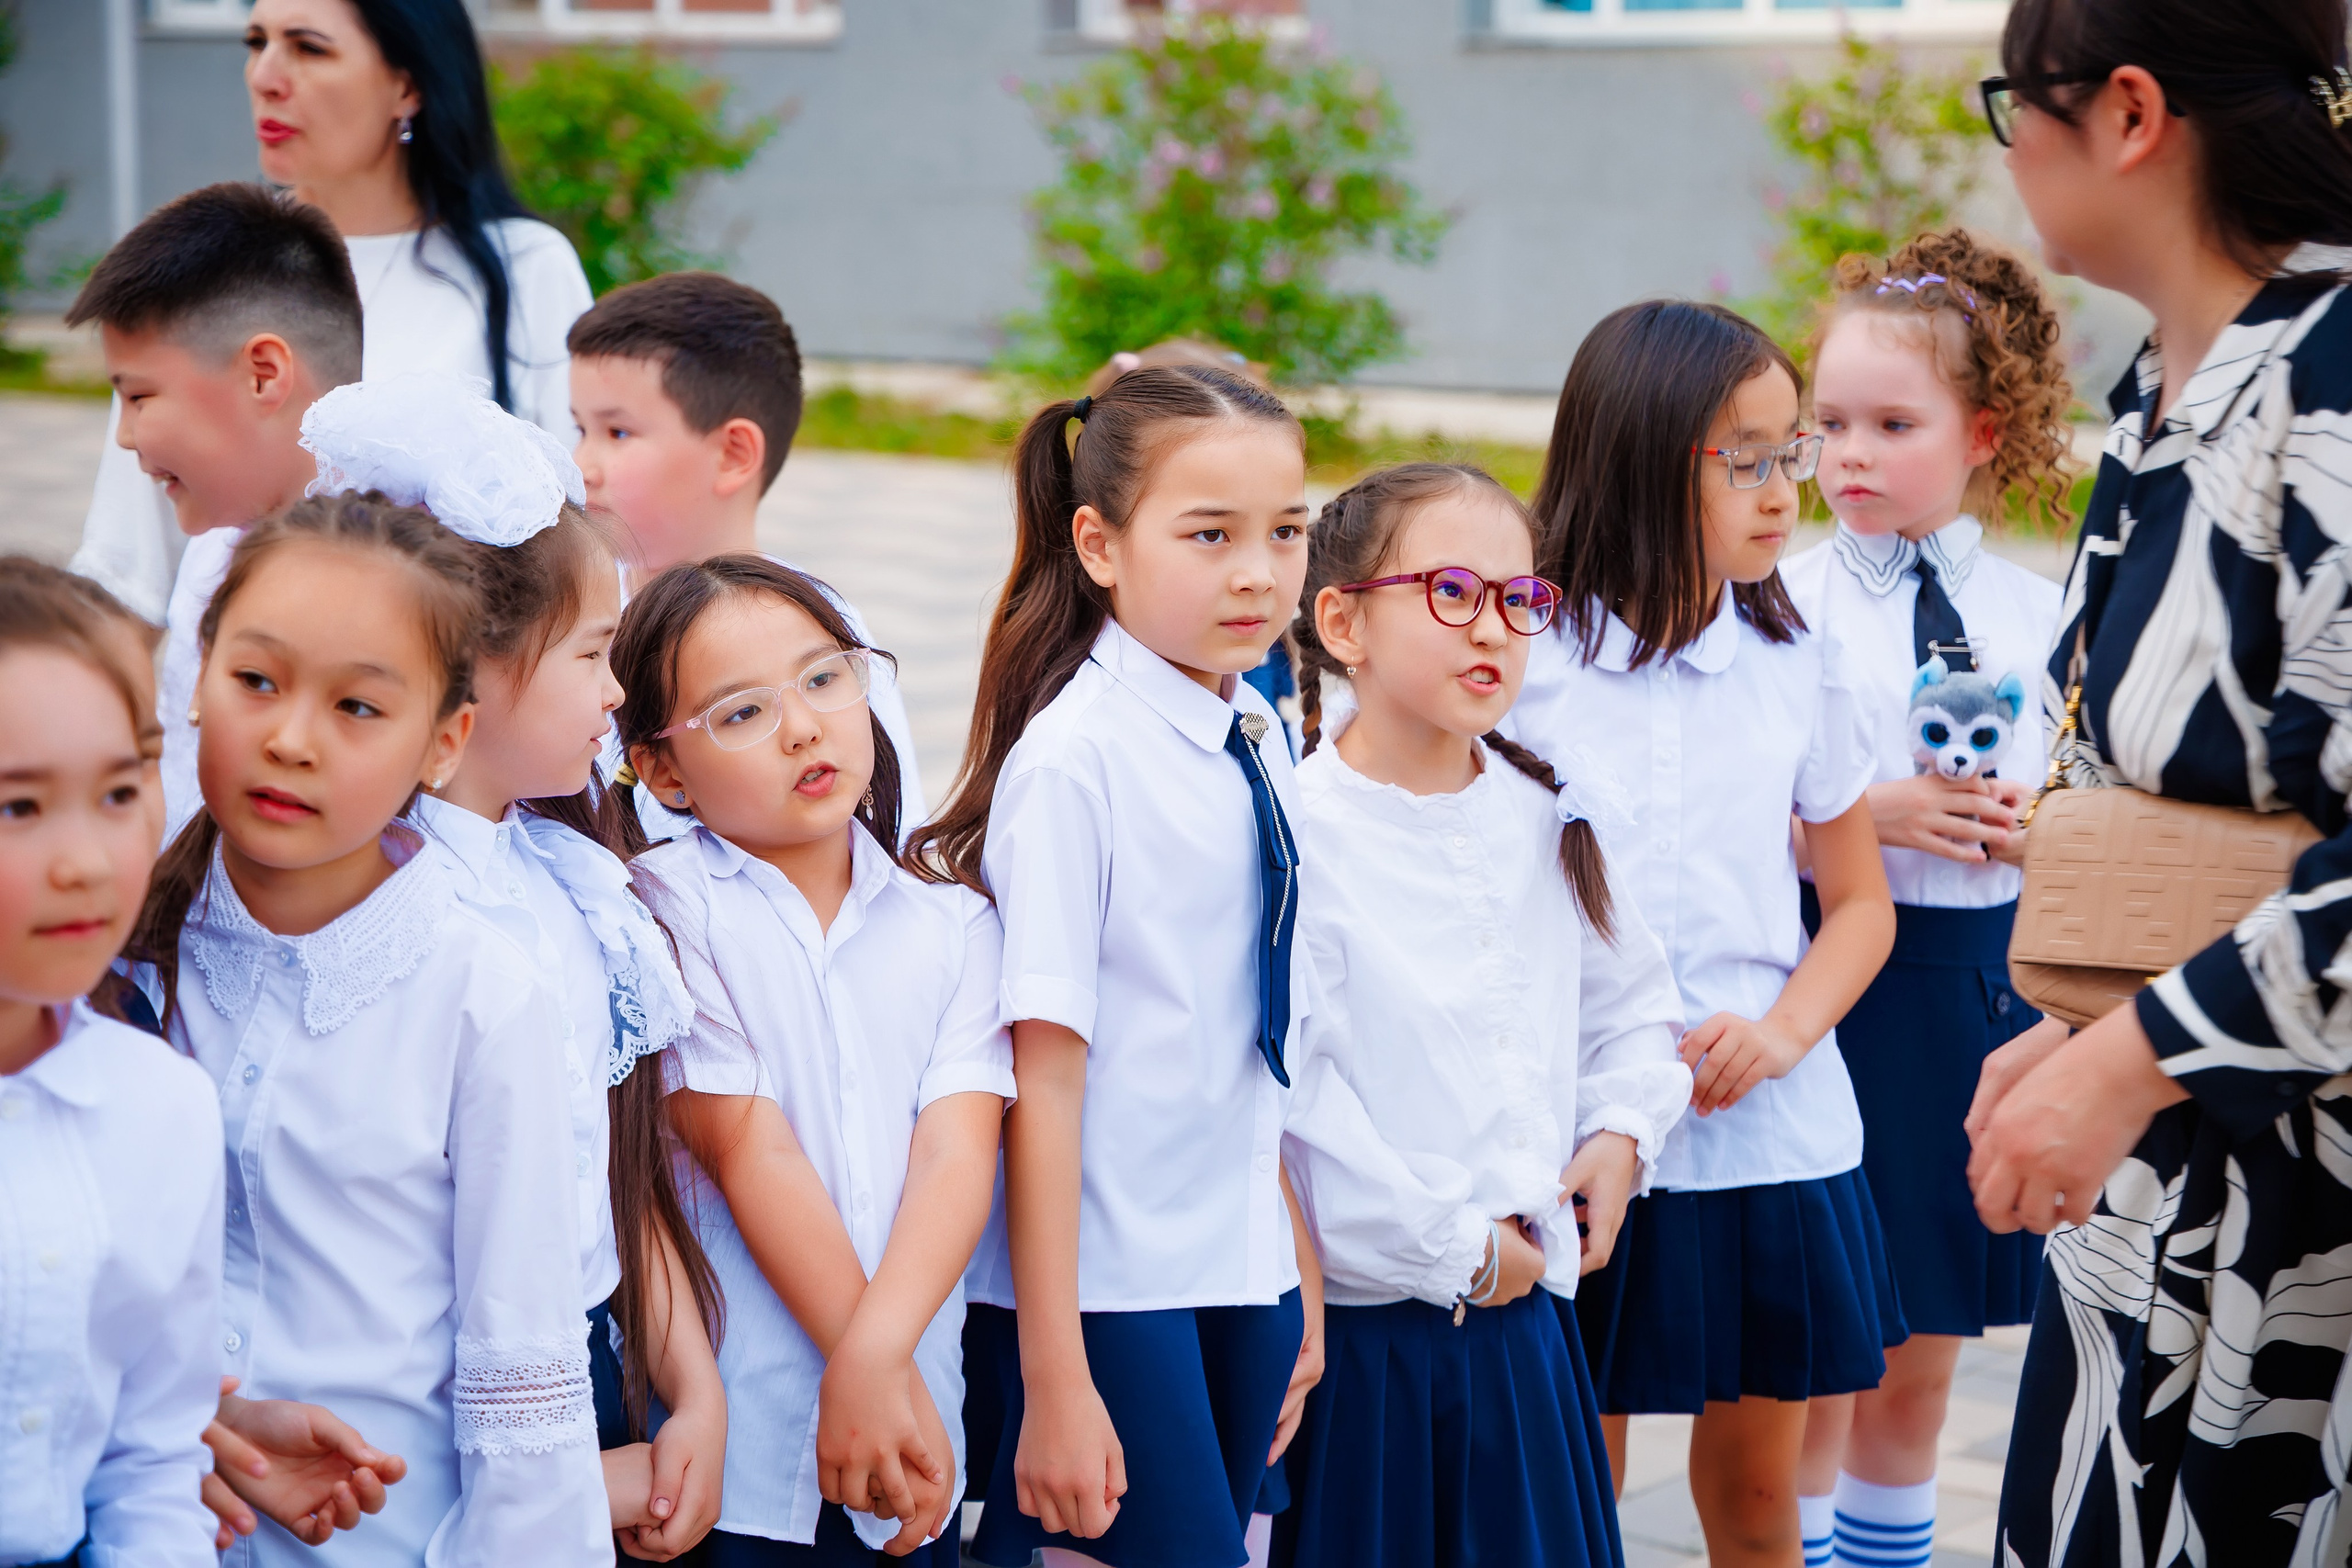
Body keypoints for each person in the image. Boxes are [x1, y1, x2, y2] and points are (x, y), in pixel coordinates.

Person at [1957, 0, 2352, 1559]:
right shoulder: (2169, 388)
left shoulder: (2330, 397)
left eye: (2015, 103)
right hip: (2145, 1208)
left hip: (2303, 1231)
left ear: (2129, 114)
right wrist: (2075, 1031)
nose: (2011, 151)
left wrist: (2131, 1056)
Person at [123, 494, 611, 1567]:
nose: (290, 739)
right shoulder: (109, 944)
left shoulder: (484, 992)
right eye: (255, 681)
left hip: (393, 1542)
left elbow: (521, 1362)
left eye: (357, 708)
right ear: (196, 678)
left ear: (444, 743)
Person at [297, 372, 729, 1558]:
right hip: (454, 1428)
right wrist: (577, 1483)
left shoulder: (561, 881)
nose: (618, 690)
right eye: (595, 650)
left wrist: (693, 1385)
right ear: (473, 671)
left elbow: (615, 1166)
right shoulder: (407, 923)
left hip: (595, 1371)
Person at [910, 366, 1324, 1568]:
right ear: (1098, 541)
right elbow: (1043, 1080)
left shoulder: (1255, 726)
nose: (1259, 571)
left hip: (1235, 1257)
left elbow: (1254, 1030)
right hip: (1108, 1282)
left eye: (1286, 531)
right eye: (1211, 534)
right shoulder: (1074, 765)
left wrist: (1287, 1261)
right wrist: (1055, 1372)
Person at [1509, 300, 1898, 1568]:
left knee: (1757, 1500)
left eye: (1792, 451)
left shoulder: (1800, 658)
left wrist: (1784, 1034)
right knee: (1576, 1487)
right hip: (1574, 1128)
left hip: (1763, 1130)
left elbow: (1857, 904)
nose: (1786, 487)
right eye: (1746, 455)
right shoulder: (1524, 660)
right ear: (1637, 451)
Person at [1272, 464, 1691, 1567]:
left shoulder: (1546, 810)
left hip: (1529, 1332)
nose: (1494, 628)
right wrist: (1459, 1250)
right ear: (1342, 621)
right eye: (1452, 591)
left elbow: (1638, 1013)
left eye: (1520, 600)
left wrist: (1620, 1135)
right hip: (1371, 1348)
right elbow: (1295, 1099)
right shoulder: (1295, 834)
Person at [615, 556, 1011, 1564]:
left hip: (915, 1431)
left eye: (825, 678)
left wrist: (881, 1362)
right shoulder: (659, 911)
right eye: (741, 713)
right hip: (736, 1455)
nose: (802, 726)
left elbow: (955, 1156)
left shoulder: (954, 924)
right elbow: (752, 1150)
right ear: (662, 771)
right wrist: (866, 1364)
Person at [1776, 230, 2074, 1568]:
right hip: (1822, 991)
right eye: (1828, 420)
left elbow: (2106, 805)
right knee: (1811, 1347)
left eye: (1893, 422)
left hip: (1969, 993)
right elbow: (1704, 826)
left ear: (1982, 431)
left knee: (1920, 1353)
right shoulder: (1772, 605)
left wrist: (2042, 839)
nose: (1850, 452)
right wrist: (1856, 822)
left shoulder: (2044, 613)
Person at [71, 0, 592, 626]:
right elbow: (125, 573)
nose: (265, 75)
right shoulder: (212, 267)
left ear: (407, 83)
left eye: (309, 47)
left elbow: (577, 550)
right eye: (256, 41)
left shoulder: (525, 270)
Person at [0, 561, 222, 1568]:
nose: (87, 860)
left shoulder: (164, 1107)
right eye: (18, 808)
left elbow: (149, 1461)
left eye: (122, 790)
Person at [566, 271, 926, 830]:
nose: (581, 465)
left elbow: (891, 828)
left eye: (616, 434)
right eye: (579, 430)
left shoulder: (819, 627)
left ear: (734, 453)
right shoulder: (567, 614)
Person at [62, 181, 363, 838]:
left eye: (138, 398)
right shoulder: (217, 542)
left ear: (262, 375)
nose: (125, 437)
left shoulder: (383, 579)